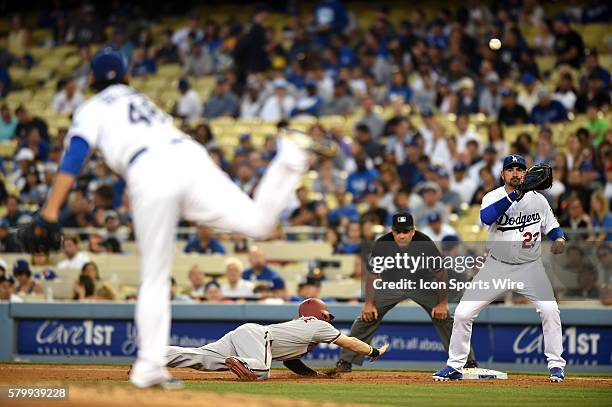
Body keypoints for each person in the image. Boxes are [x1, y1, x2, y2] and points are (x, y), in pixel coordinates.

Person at [17, 48, 322, 389]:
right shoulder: (140, 98)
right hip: (190, 157)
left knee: (155, 277)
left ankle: (149, 367)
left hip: (150, 168)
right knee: (259, 224)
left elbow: (75, 155)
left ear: (91, 79)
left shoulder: (91, 107)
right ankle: (292, 157)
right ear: (126, 75)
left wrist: (49, 211)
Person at [433, 155, 567, 382]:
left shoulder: (539, 200)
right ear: (502, 174)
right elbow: (487, 217)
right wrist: (515, 195)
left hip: (529, 267)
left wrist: (560, 238)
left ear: (526, 173)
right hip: (496, 267)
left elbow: (552, 227)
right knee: (464, 313)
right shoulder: (492, 197)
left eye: (520, 169)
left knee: (550, 311)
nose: (515, 173)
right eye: (510, 169)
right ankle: (455, 365)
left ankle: (556, 366)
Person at [335, 212, 476, 373]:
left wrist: (442, 304)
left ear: (413, 231)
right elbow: (372, 275)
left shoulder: (424, 242)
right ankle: (345, 360)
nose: (402, 235)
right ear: (392, 231)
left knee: (444, 317)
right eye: (398, 232)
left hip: (422, 284)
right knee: (367, 316)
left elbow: (441, 273)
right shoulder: (382, 243)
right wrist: (368, 304)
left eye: (406, 231)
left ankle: (467, 361)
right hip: (392, 284)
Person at [164, 298, 388, 380]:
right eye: (327, 316)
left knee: (201, 358)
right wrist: (373, 351)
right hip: (258, 337)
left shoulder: (299, 329)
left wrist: (314, 376)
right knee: (261, 372)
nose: (328, 319)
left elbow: (291, 361)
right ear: (319, 314)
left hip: (247, 337)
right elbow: (349, 342)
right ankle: (242, 362)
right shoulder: (318, 325)